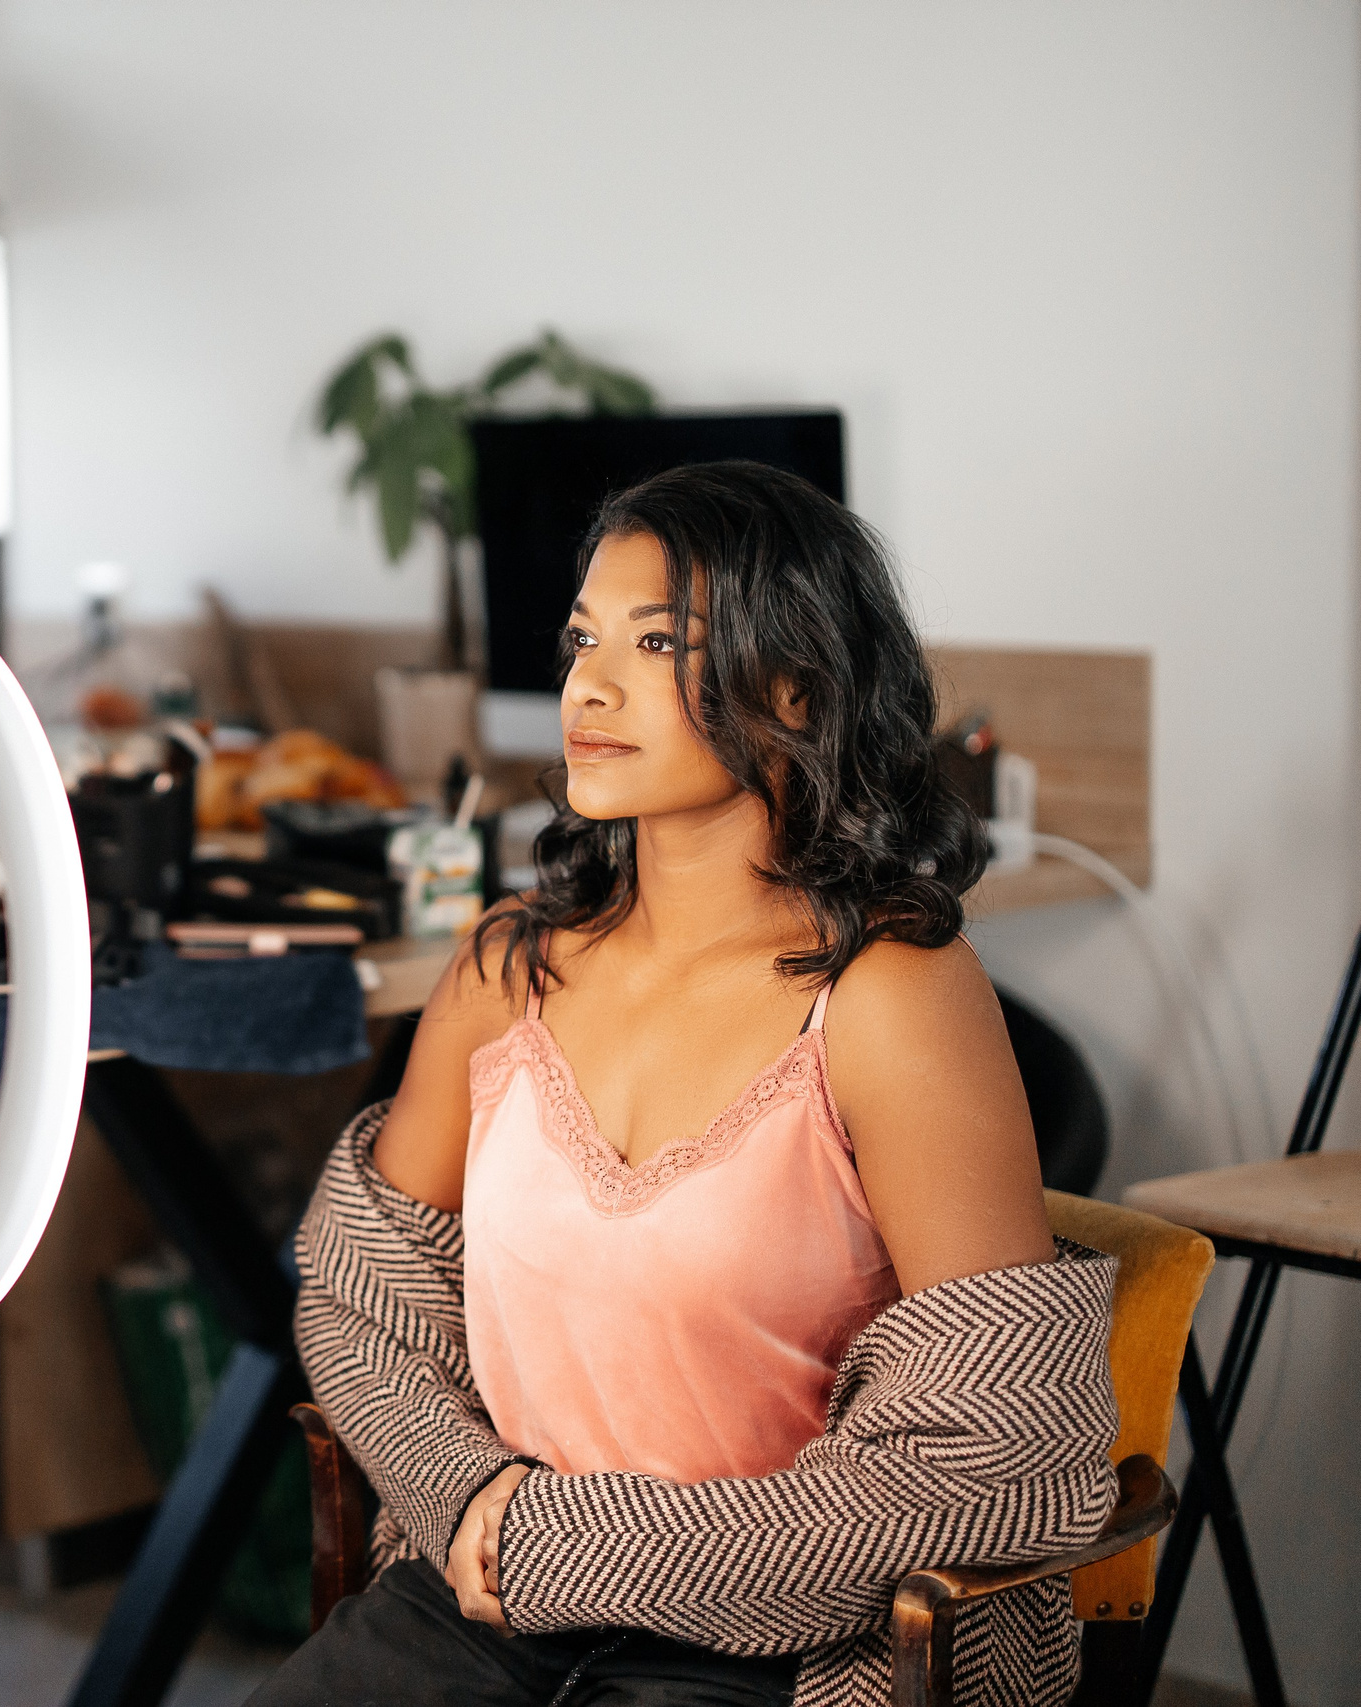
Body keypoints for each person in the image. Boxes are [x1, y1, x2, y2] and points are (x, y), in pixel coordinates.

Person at [255, 463, 1119, 1707]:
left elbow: (996, 1457)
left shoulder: (891, 996)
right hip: (474, 1611)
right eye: (580, 640)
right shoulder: (509, 968)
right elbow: (360, 1299)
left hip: (768, 1659)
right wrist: (472, 1499)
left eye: (658, 642)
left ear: (796, 685)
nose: (587, 687)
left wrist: (570, 1549)